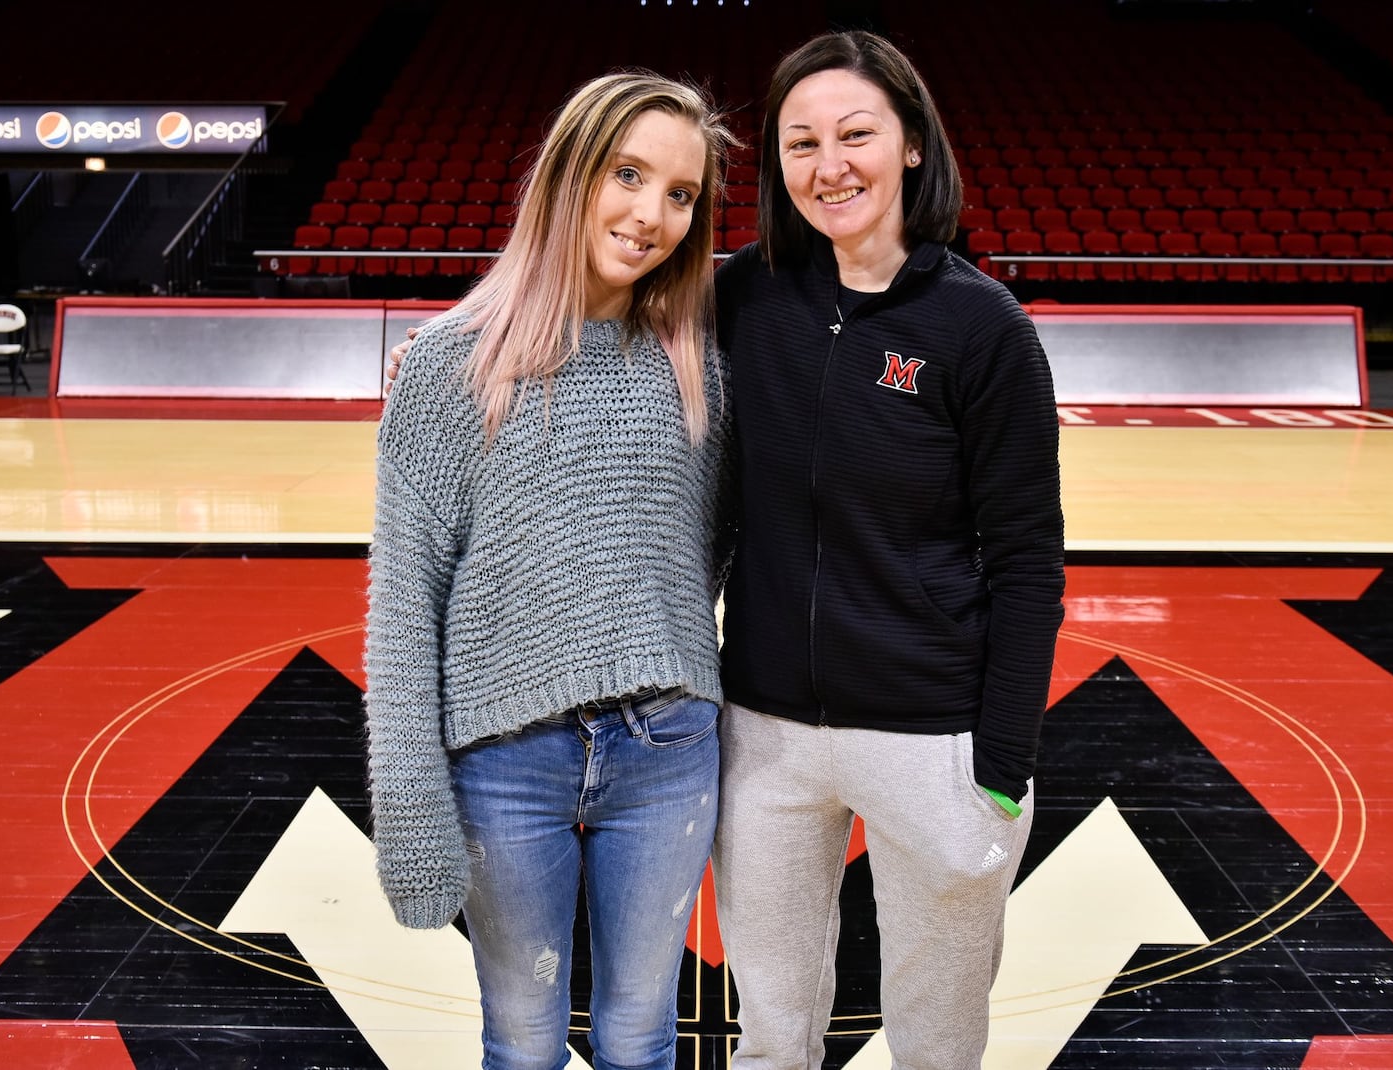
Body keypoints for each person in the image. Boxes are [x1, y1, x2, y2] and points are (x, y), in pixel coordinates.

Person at [709, 30, 1064, 1070]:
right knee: (770, 1037)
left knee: (937, 1044)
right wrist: (458, 341)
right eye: (801, 142)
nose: (830, 166)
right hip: (765, 737)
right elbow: (589, 305)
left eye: (856, 133)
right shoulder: (745, 297)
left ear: (910, 143)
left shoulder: (979, 324)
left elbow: (1028, 557)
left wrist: (1000, 763)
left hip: (935, 742)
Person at [365, 70, 734, 1070]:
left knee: (638, 1039)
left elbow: (728, 540)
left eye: (680, 193)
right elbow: (403, 617)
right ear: (570, 172)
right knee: (522, 1044)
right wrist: (410, 814)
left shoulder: (704, 363)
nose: (649, 212)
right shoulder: (448, 365)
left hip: (667, 753)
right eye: (627, 173)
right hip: (503, 761)